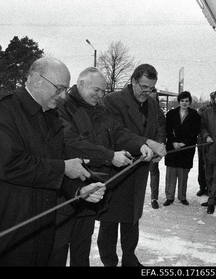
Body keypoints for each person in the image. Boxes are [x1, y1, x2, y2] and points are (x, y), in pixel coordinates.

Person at [0, 57, 105, 266]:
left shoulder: (51, 116)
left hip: (42, 227)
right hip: (8, 228)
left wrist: (79, 190)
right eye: (59, 88)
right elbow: (9, 164)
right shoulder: (2, 109)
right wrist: (64, 167)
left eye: (65, 89)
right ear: (37, 79)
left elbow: (56, 165)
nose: (63, 95)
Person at [49, 67, 154, 266]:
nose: (100, 95)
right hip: (66, 191)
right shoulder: (62, 107)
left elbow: (118, 132)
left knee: (82, 247)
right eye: (96, 90)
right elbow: (70, 143)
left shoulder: (99, 109)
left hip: (92, 189)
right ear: (80, 84)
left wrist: (141, 143)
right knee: (59, 248)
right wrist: (109, 156)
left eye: (103, 91)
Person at [98, 63, 167, 267]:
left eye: (151, 88)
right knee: (110, 221)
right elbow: (116, 133)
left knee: (132, 218)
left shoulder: (153, 104)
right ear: (133, 81)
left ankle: (130, 258)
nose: (147, 92)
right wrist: (145, 143)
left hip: (140, 170)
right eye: (144, 87)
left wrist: (158, 147)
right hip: (118, 169)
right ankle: (109, 261)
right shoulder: (113, 101)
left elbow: (159, 126)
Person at [163, 91, 201, 206]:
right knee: (171, 173)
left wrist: (185, 143)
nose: (184, 103)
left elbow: (195, 131)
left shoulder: (194, 115)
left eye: (187, 101)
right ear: (179, 101)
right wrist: (173, 142)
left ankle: (182, 196)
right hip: (173, 147)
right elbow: (168, 130)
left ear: (190, 102)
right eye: (182, 101)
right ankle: (169, 196)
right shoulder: (171, 114)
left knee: (183, 174)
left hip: (186, 148)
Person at [148, 89, 167, 209]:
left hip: (154, 146)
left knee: (153, 171)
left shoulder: (158, 113)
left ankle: (154, 197)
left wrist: (160, 147)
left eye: (154, 98)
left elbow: (162, 131)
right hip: (138, 146)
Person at [196, 92, 215, 197]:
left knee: (211, 166)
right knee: (202, 166)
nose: (214, 100)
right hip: (203, 141)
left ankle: (210, 187)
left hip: (215, 142)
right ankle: (202, 187)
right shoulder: (203, 110)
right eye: (212, 98)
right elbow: (200, 125)